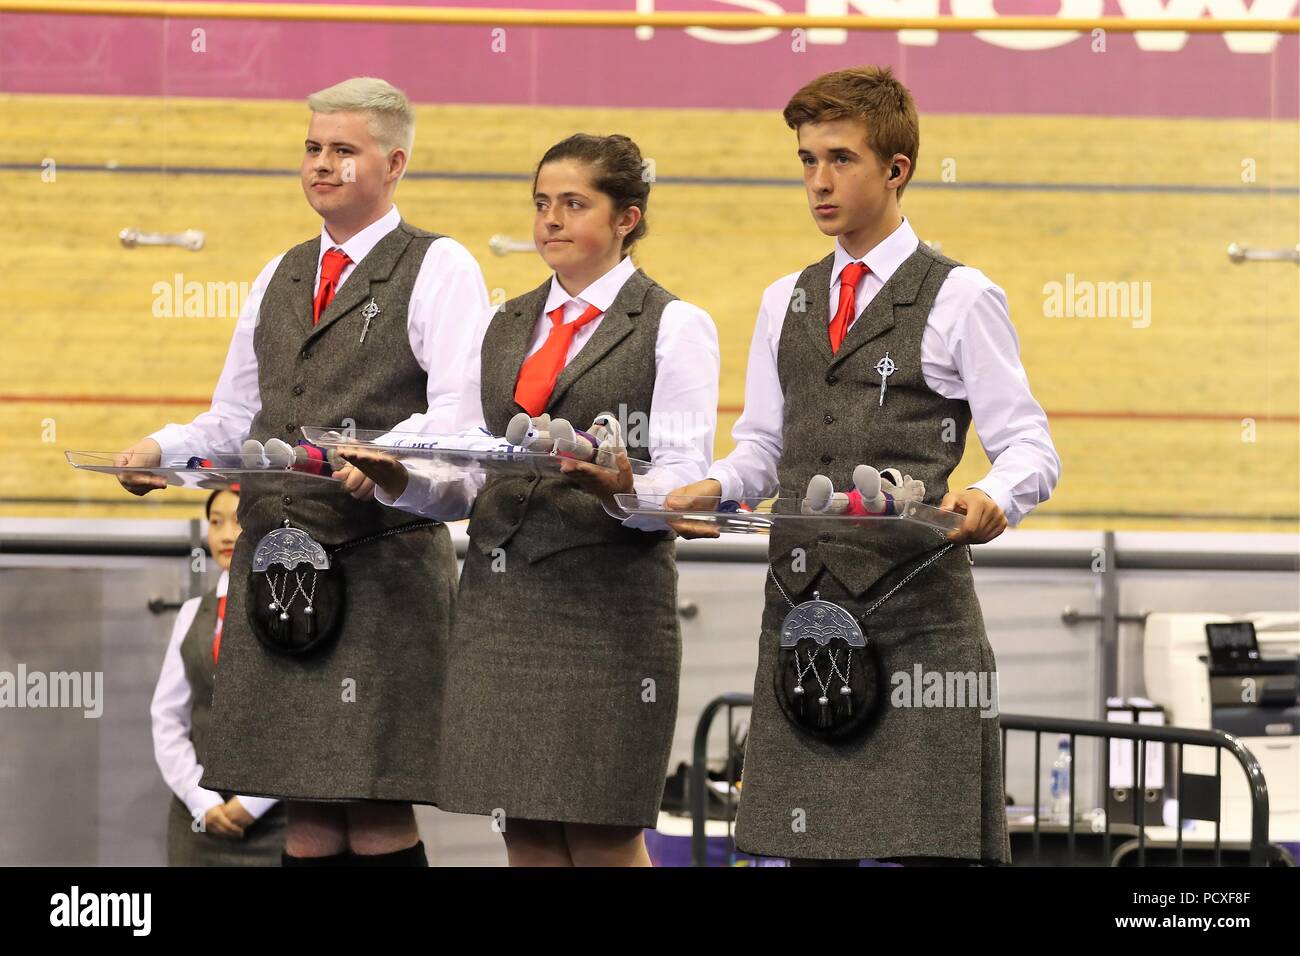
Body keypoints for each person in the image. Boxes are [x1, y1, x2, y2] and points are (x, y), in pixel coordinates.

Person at [668, 65, 1060, 865]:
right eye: (807, 161)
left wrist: (991, 496)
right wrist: (716, 486)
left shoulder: (961, 297)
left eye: (840, 159)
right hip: (803, 614)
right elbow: (765, 449)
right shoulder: (786, 300)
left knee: (934, 855)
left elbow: (1030, 446)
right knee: (805, 855)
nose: (818, 181)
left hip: (921, 627)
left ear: (896, 169)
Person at [116, 76, 490, 865]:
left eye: (343, 151)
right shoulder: (278, 274)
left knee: (375, 813)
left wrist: (394, 456)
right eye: (313, 148)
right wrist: (161, 451)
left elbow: (463, 418)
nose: (322, 164)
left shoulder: (440, 266)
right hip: (276, 566)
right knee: (313, 820)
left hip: (380, 570)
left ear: (393, 164)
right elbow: (232, 421)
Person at [346, 133, 720, 866]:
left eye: (574, 204)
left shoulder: (675, 326)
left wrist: (622, 486)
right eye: (542, 203)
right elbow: (474, 479)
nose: (549, 219)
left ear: (627, 218)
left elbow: (685, 483)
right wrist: (400, 479)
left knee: (601, 833)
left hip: (606, 612)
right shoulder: (503, 323)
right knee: (526, 833)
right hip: (500, 611)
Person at [151, 487, 287, 865]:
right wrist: (201, 800)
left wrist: (254, 803)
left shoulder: (292, 610)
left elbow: (301, 719)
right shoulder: (192, 612)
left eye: (239, 521)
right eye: (215, 522)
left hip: (278, 820)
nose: (227, 534)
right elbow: (168, 718)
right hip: (198, 823)